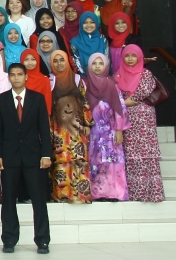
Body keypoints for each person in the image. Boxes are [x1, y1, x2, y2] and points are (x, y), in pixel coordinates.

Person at [0, 63, 51, 253]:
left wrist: (46, 154)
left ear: (26, 77)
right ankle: (9, 239)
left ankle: (42, 240)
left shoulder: (37, 99)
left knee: (38, 200)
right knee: (8, 199)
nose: (16, 78)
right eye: (13, 75)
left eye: (19, 74)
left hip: (34, 156)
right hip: (9, 157)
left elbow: (44, 129)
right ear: (8, 77)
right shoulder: (1, 100)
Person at [114, 44, 164, 202]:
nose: (130, 59)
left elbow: (143, 91)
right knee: (130, 154)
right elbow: (115, 94)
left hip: (144, 119)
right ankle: (134, 193)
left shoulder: (146, 74)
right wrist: (124, 103)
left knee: (146, 153)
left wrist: (127, 101)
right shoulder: (118, 75)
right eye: (127, 56)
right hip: (126, 119)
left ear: (140, 57)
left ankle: (150, 193)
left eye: (133, 56)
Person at [48, 50, 92, 203]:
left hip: (77, 128)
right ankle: (62, 195)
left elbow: (85, 102)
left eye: (62, 60)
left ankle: (80, 196)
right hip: (58, 129)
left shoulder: (77, 79)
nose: (59, 63)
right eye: (55, 61)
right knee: (61, 162)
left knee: (78, 160)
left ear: (67, 61)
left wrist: (87, 123)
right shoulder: (50, 81)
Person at [85, 53, 129, 202]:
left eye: (100, 63)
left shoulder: (112, 84)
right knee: (95, 162)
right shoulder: (86, 85)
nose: (97, 66)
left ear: (106, 66)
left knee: (111, 162)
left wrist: (119, 130)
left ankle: (114, 193)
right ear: (89, 66)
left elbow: (120, 109)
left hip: (110, 131)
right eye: (94, 63)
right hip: (93, 132)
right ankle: (98, 193)